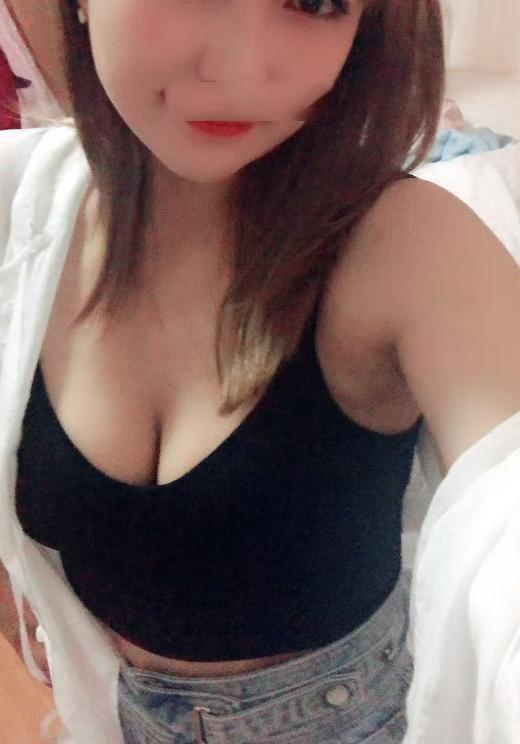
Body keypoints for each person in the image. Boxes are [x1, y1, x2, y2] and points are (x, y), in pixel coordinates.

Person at [1, 1, 520, 743]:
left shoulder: (410, 243)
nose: (241, 69)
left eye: (315, 1)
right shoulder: (22, 211)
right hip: (118, 715)